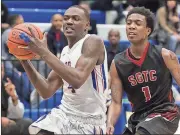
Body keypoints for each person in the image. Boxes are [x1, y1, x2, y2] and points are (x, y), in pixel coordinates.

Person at [19, 5, 108, 135]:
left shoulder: (93, 41)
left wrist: (44, 52)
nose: (69, 21)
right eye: (66, 18)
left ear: (86, 25)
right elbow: (46, 90)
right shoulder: (66, 51)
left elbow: (78, 80)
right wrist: (24, 60)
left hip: (90, 121)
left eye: (76, 18)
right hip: (65, 114)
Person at [107, 7, 180, 134]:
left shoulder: (165, 55)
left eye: (137, 23)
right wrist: (110, 123)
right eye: (128, 23)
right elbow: (116, 102)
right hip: (138, 117)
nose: (131, 26)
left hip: (165, 114)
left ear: (148, 30)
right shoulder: (117, 63)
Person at [1, 63, 32, 135]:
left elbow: (18, 115)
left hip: (6, 121)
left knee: (27, 123)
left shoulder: (6, 87)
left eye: (1, 70)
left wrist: (14, 98)